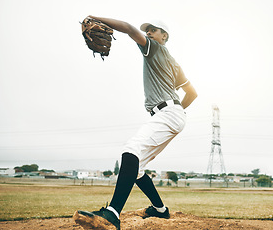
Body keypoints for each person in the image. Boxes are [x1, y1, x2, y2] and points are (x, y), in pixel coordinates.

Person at [74, 16, 197, 230]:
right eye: (147, 30)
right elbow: (192, 93)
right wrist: (176, 111)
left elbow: (130, 29)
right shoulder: (173, 62)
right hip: (171, 114)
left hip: (168, 113)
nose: (148, 33)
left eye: (153, 30)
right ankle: (160, 209)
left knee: (131, 150)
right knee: (137, 168)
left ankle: (112, 214)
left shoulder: (156, 48)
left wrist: (97, 18)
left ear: (164, 36)